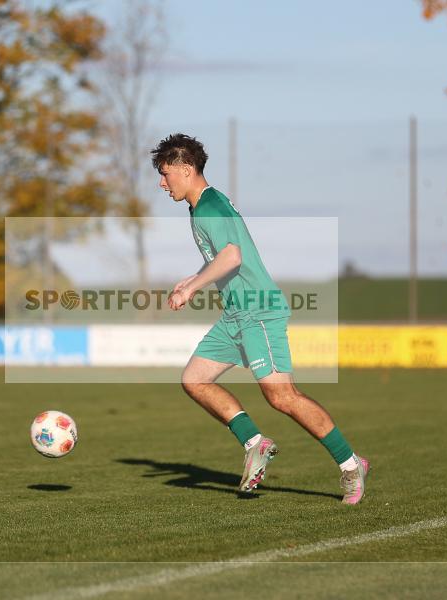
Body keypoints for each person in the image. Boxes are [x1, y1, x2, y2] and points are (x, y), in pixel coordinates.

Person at [151, 133, 369, 502]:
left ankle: (350, 465)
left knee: (282, 397)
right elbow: (223, 256)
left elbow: (233, 257)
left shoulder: (209, 207)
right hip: (236, 314)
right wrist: (193, 278)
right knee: (195, 379)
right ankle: (256, 442)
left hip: (258, 311)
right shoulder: (203, 205)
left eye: (165, 173)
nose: (162, 182)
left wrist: (192, 289)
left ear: (186, 170)